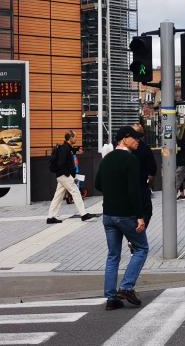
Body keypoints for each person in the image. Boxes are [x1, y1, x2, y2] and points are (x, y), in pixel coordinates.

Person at [96, 125, 152, 311]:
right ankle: (127, 287)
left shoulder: (107, 159)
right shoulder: (131, 160)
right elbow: (134, 191)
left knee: (113, 256)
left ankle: (111, 298)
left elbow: (97, 184)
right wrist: (140, 217)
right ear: (124, 139)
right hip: (126, 215)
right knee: (142, 248)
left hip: (108, 215)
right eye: (135, 138)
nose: (138, 141)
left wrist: (112, 193)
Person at [47, 131, 94, 224]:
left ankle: (50, 217)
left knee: (58, 196)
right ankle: (84, 214)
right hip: (64, 175)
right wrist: (69, 175)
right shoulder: (65, 149)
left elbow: (68, 158)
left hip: (61, 176)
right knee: (76, 192)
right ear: (70, 138)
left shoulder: (66, 148)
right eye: (75, 137)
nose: (76, 139)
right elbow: (61, 163)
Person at [131, 121, 158, 191]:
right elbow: (152, 168)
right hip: (142, 184)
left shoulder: (130, 149)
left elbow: (152, 168)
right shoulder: (145, 148)